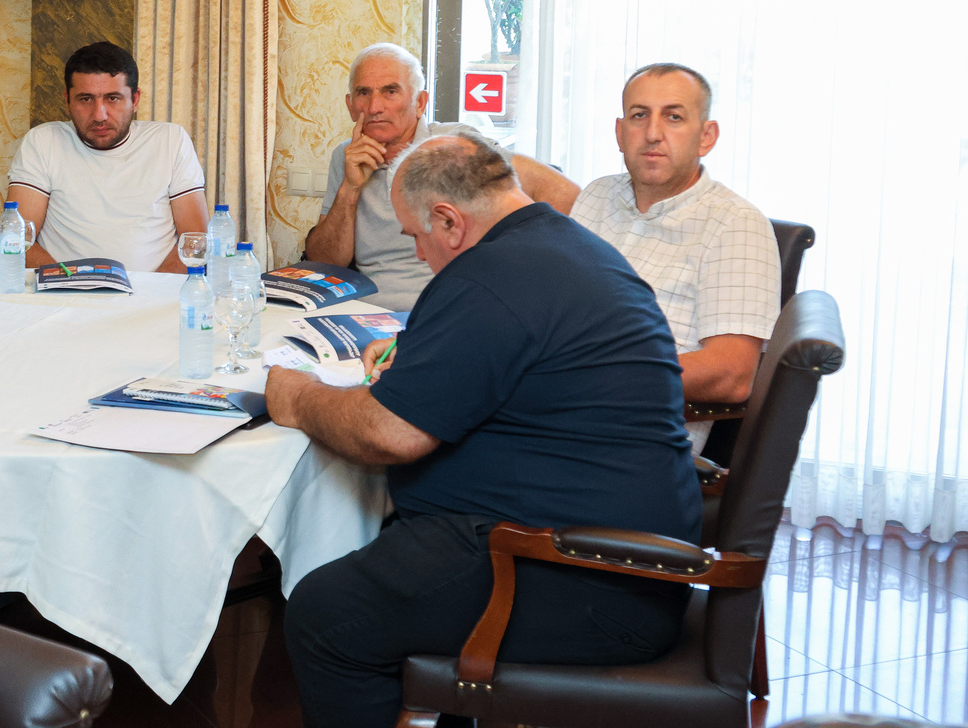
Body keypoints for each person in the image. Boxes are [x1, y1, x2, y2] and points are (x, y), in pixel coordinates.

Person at [266, 129, 699, 728]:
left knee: (325, 615)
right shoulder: (558, 245)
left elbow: (389, 433)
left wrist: (297, 396)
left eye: (415, 236)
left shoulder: (491, 276)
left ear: (449, 221)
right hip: (611, 558)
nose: (420, 255)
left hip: (586, 577)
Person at [571, 63, 781, 447]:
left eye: (673, 117)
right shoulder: (596, 196)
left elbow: (731, 375)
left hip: (632, 439)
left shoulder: (736, 225)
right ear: (620, 133)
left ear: (706, 137)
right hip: (550, 413)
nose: (653, 133)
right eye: (639, 115)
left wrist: (590, 379)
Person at [302, 41, 579, 310]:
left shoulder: (452, 144)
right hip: (364, 312)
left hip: (448, 309)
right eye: (363, 93)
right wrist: (350, 188)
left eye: (390, 91)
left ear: (420, 102)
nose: (374, 107)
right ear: (351, 105)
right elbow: (325, 264)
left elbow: (563, 193)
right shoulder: (346, 155)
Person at [5, 41, 207, 274]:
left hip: (152, 291)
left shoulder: (171, 141)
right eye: (85, 99)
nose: (99, 115)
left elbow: (197, 241)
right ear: (67, 100)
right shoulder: (43, 141)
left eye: (113, 98)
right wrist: (70, 284)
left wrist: (147, 291)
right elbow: (17, 240)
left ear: (135, 99)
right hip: (63, 288)